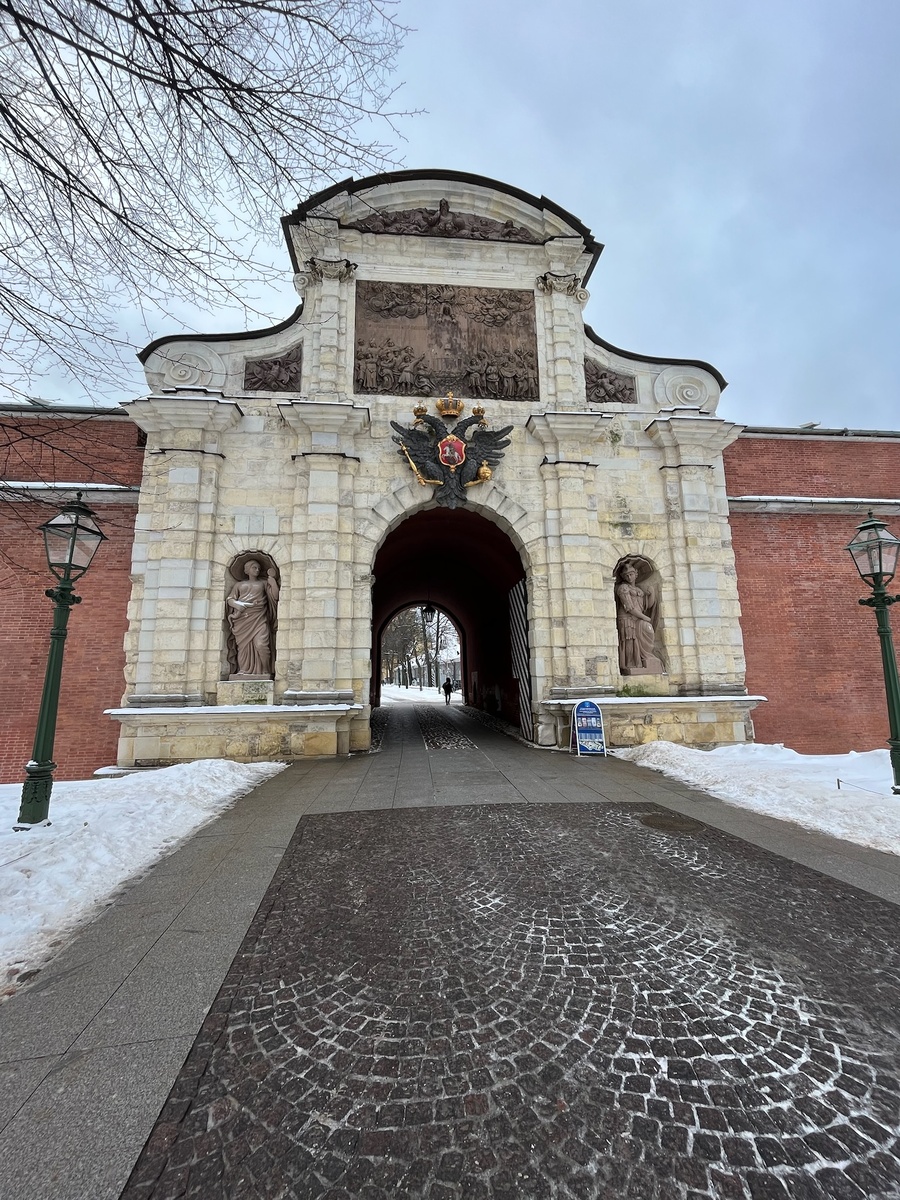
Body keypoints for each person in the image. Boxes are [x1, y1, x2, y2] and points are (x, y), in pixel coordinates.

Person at [226, 559, 279, 677]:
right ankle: (244, 670)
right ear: (247, 570)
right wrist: (238, 604)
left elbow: (275, 596)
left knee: (261, 645)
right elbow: (230, 599)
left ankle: (265, 670)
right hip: (242, 620)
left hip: (259, 618)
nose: (257, 570)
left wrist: (273, 583)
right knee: (243, 647)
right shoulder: (238, 585)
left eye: (259, 568)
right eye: (254, 567)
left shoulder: (263, 583)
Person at [615, 561, 660, 674]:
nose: (629, 577)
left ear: (636, 573)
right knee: (629, 640)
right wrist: (645, 617)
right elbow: (629, 608)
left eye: (631, 574)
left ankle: (646, 655)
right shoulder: (623, 588)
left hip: (638, 617)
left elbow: (646, 606)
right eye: (627, 575)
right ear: (623, 577)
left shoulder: (639, 590)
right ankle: (631, 664)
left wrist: (652, 594)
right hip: (627, 619)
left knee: (648, 630)